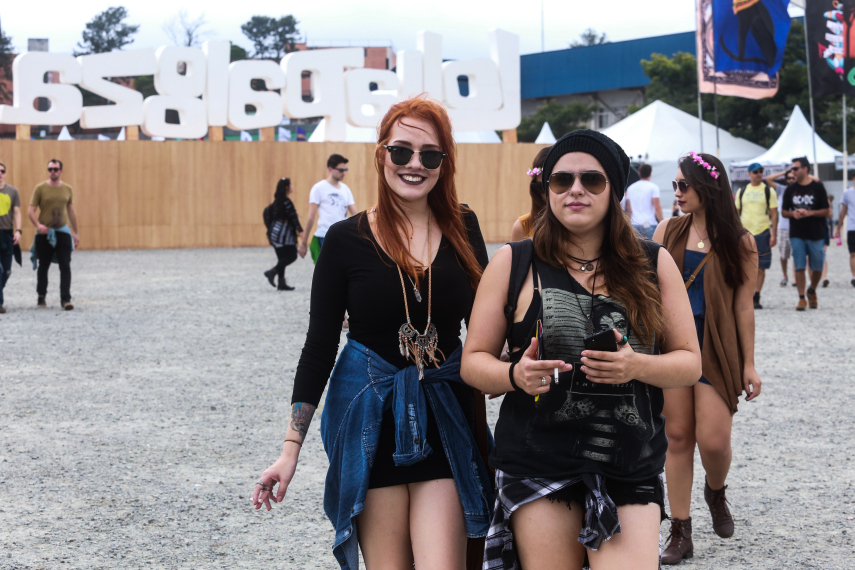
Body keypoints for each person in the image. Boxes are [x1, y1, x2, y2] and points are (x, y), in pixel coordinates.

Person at [253, 96, 494, 570]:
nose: (414, 164)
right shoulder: (345, 239)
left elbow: (489, 325)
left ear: (445, 163)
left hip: (448, 420)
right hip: (370, 423)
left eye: (430, 154)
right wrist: (289, 451)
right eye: (401, 151)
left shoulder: (464, 226)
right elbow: (320, 345)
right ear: (381, 153)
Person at [461, 130, 702, 570]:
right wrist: (514, 374)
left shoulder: (654, 262)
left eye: (592, 180)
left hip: (630, 464)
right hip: (538, 463)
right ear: (546, 189)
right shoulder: (513, 262)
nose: (575, 190)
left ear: (614, 190)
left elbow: (689, 363)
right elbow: (473, 362)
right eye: (561, 180)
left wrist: (636, 365)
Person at [655, 152, 762, 565]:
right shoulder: (667, 230)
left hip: (717, 348)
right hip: (674, 347)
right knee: (678, 437)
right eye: (675, 185)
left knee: (714, 441)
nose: (677, 193)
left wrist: (749, 363)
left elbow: (743, 308)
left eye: (684, 185)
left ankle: (715, 491)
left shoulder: (741, 242)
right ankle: (680, 529)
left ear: (709, 187)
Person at [29, 159, 79, 310]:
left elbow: (71, 210)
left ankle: (65, 299)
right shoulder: (40, 188)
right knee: (43, 265)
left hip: (63, 231)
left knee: (65, 265)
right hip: (45, 233)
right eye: (50, 169)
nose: (53, 172)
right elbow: (30, 210)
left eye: (56, 169)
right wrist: (38, 226)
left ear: (61, 171)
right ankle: (41, 296)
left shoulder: (67, 189)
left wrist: (75, 233)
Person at [781, 157, 830, 311]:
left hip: (816, 233)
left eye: (795, 168)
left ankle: (812, 290)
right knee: (799, 266)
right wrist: (793, 214)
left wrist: (810, 213)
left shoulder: (818, 188)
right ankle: (801, 298)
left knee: (817, 266)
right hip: (797, 233)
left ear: (805, 169)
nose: (793, 171)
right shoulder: (790, 189)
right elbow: (783, 211)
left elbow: (826, 211)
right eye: (792, 169)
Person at [297, 154, 357, 263]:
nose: (344, 173)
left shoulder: (345, 189)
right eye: (340, 170)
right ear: (330, 169)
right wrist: (304, 242)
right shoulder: (319, 188)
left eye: (345, 170)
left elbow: (355, 215)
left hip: (343, 236)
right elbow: (311, 217)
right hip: (325, 236)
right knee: (327, 272)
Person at [737, 162, 777, 309]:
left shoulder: (768, 191)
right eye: (755, 171)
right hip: (745, 233)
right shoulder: (742, 191)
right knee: (743, 265)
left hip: (762, 231)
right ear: (749, 174)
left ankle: (757, 295)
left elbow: (774, 213)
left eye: (761, 171)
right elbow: (736, 213)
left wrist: (774, 234)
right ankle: (745, 294)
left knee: (761, 267)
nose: (759, 174)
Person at [264, 178, 302, 291]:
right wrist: (301, 233)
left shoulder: (277, 202)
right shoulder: (286, 202)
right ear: (287, 187)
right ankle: (272, 271)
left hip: (274, 234)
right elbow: (294, 220)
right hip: (283, 234)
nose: (292, 186)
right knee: (292, 255)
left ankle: (281, 282)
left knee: (282, 257)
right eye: (291, 184)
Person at [510, 146, 550, 241]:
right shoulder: (523, 226)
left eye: (556, 184)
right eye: (541, 187)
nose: (549, 194)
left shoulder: (583, 223)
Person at [765, 168, 795, 287]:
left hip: (796, 227)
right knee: (783, 255)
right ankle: (785, 275)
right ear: (786, 180)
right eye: (789, 178)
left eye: (793, 177)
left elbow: (816, 180)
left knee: (796, 254)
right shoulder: (783, 190)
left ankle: (795, 278)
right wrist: (785, 172)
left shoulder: (800, 189)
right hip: (783, 227)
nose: (791, 180)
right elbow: (768, 179)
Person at [0, 161, 22, 314]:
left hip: (7, 234)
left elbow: (16, 212)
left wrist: (18, 230)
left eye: (2, 171)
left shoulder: (12, 191)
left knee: (6, 270)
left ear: (5, 173)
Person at [624, 163, 662, 239]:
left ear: (639, 174)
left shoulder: (630, 188)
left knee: (635, 249)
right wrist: (662, 222)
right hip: (649, 223)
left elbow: (629, 209)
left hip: (634, 223)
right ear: (650, 174)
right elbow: (657, 207)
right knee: (651, 249)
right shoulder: (654, 187)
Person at [835, 174, 855, 288]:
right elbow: (843, 210)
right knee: (853, 253)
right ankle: (854, 276)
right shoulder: (847, 193)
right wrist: (839, 227)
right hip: (852, 226)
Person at [820, 195, 834, 288]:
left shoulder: (825, 199)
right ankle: (811, 279)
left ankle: (824, 277)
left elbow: (830, 216)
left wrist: (828, 204)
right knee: (810, 256)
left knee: (823, 254)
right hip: (811, 229)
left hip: (823, 228)